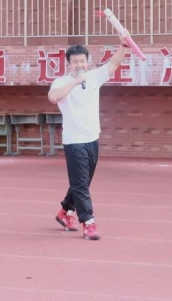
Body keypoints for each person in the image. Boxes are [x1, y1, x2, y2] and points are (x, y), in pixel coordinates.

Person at [48, 32, 130, 240]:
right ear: (68, 64)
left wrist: (123, 46)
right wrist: (75, 82)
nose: (79, 65)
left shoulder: (94, 77)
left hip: (92, 139)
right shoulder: (61, 82)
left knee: (82, 182)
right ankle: (89, 223)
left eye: (82, 61)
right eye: (75, 62)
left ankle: (65, 212)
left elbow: (113, 64)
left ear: (87, 61)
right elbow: (53, 97)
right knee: (81, 184)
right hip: (74, 141)